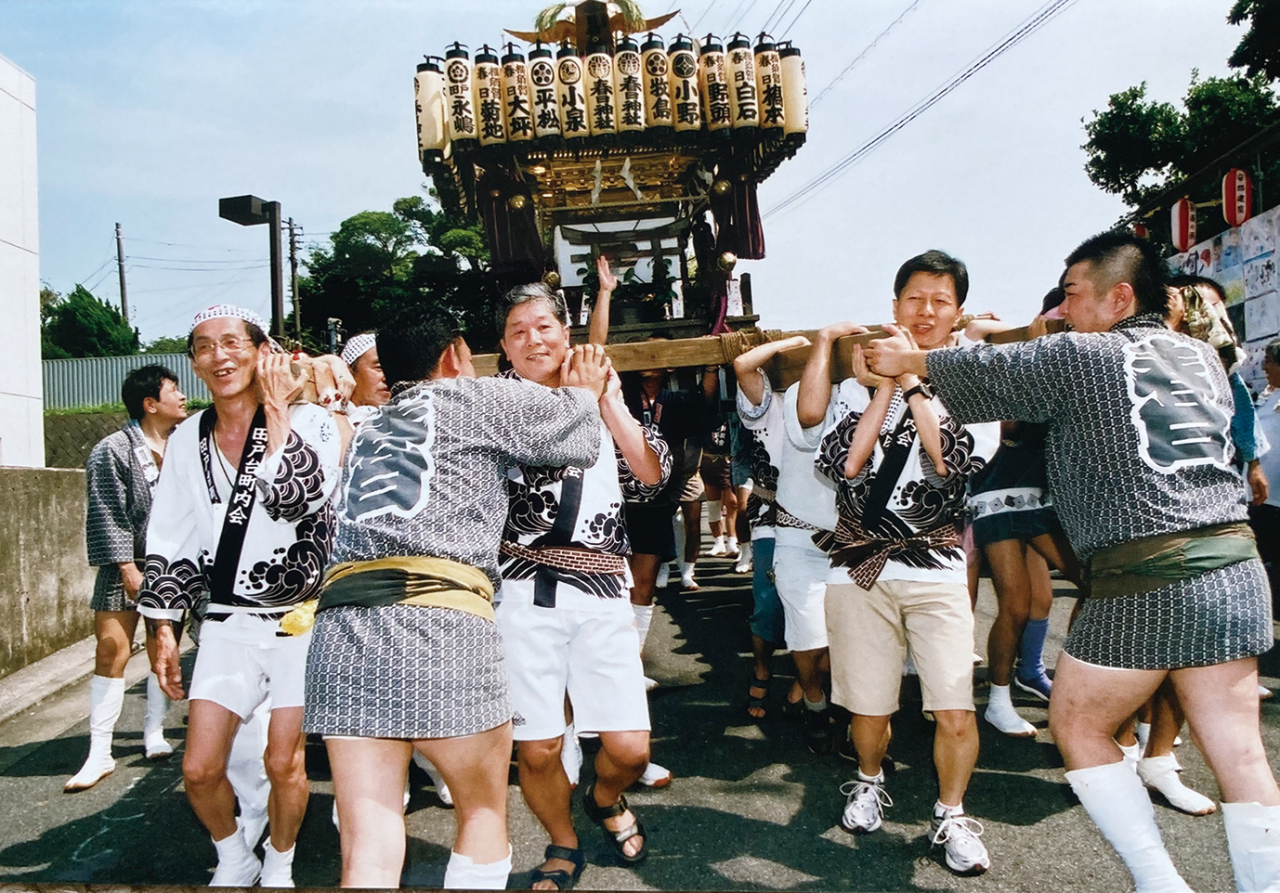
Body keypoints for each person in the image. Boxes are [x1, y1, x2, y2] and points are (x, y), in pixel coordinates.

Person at [867, 230, 1280, 893]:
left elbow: (982, 375)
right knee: (1240, 749)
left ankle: (1158, 881)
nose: (1062, 309)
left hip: (1147, 572)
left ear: (1119, 296)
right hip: (1236, 566)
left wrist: (904, 358)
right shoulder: (1201, 357)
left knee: (1078, 722)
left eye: (1072, 294)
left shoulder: (1086, 356)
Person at [304, 305, 607, 890]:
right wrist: (586, 388)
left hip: (342, 633)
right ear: (453, 356)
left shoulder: (368, 428)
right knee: (483, 812)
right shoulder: (476, 400)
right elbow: (577, 435)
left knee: (367, 839)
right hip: (443, 621)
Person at [801, 250, 999, 876]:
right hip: (858, 567)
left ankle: (952, 813)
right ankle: (867, 780)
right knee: (868, 705)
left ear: (958, 314)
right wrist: (884, 386)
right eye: (914, 298)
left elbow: (949, 461)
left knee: (953, 705)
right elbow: (845, 465)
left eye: (941, 301)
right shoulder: (851, 391)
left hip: (936, 565)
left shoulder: (975, 388)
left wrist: (913, 379)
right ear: (894, 308)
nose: (926, 310)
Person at [138, 305, 343, 888]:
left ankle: (280, 860)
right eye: (204, 347)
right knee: (199, 769)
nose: (219, 356)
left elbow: (294, 499)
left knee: (284, 762)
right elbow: (171, 533)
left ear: (261, 351)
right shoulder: (186, 439)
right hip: (227, 621)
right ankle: (234, 855)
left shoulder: (314, 422)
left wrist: (278, 408)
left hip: (300, 620)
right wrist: (163, 629)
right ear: (195, 364)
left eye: (232, 343)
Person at [494, 281, 670, 888]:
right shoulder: (490, 404)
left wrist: (607, 402)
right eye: (518, 331)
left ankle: (604, 796)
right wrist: (572, 402)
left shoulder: (601, 388)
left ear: (565, 332)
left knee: (629, 749)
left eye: (543, 326)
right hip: (522, 588)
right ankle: (562, 840)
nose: (532, 339)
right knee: (538, 748)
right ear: (505, 349)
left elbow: (650, 475)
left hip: (599, 589)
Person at [68, 365, 188, 792]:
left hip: (171, 565)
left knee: (163, 649)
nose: (183, 397)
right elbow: (106, 513)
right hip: (126, 562)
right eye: (173, 391)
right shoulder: (112, 449)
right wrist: (126, 567)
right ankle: (99, 750)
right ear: (149, 403)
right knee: (111, 648)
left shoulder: (185, 445)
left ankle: (153, 732)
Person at [731, 335, 815, 720]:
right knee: (768, 603)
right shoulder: (769, 407)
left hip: (824, 521)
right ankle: (763, 667)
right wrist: (798, 342)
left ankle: (806, 677)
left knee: (821, 610)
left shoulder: (838, 399)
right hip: (772, 516)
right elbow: (744, 366)